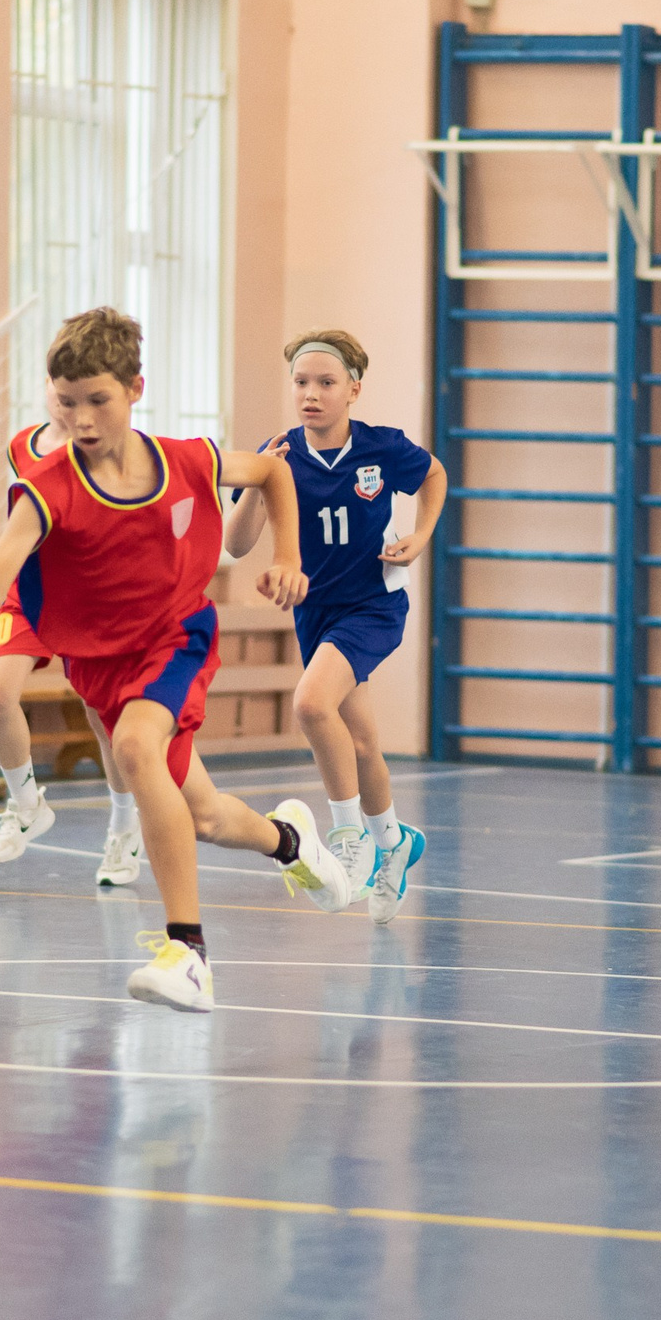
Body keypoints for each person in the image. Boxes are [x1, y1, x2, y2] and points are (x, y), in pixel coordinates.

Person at [0, 307, 357, 1016]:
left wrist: (288, 556)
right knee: (201, 816)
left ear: (136, 388)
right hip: (98, 665)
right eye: (65, 402)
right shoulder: (47, 487)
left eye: (97, 400)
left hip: (176, 638)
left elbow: (270, 472)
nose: (80, 418)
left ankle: (188, 953)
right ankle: (290, 840)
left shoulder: (185, 459)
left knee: (137, 749)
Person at [224, 330, 445, 923]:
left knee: (310, 704)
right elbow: (237, 544)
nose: (311, 394)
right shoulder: (279, 458)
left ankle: (350, 840)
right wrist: (256, 484)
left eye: (325, 383)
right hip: (315, 612)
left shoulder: (382, 449)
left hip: (371, 606)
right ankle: (397, 842)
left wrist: (419, 538)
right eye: (301, 383)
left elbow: (434, 477)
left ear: (353, 389)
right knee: (365, 742)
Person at [0, 389, 138, 881]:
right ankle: (27, 805)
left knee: (101, 716)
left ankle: (125, 831)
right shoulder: (22, 445)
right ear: (48, 387)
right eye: (60, 389)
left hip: (89, 597)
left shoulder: (111, 449)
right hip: (28, 590)